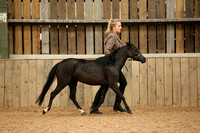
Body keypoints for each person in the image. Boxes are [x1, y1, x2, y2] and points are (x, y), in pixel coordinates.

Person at [90, 19, 127, 114]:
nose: (121, 27)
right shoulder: (113, 37)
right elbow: (107, 50)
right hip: (111, 67)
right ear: (113, 27)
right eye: (119, 26)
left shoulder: (115, 36)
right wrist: (114, 60)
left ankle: (95, 107)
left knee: (105, 86)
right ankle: (116, 105)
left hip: (112, 67)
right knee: (122, 82)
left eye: (120, 25)